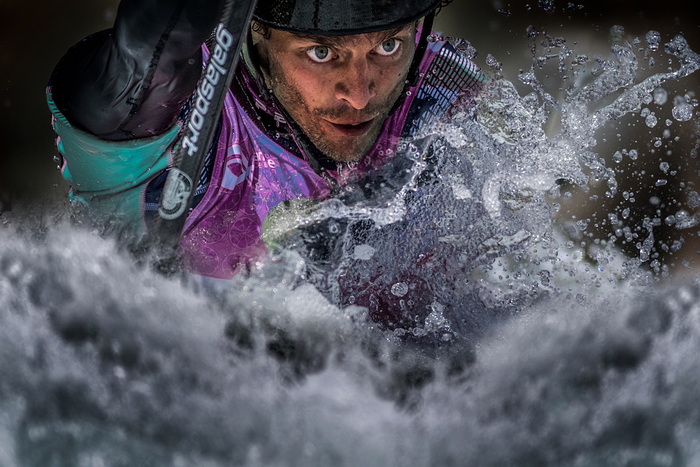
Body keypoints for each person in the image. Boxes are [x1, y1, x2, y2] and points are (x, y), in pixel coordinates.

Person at [47, 0, 485, 288]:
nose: (359, 94)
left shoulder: (437, 94)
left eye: (388, 46)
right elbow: (140, 63)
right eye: (321, 52)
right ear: (256, 36)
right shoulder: (172, 112)